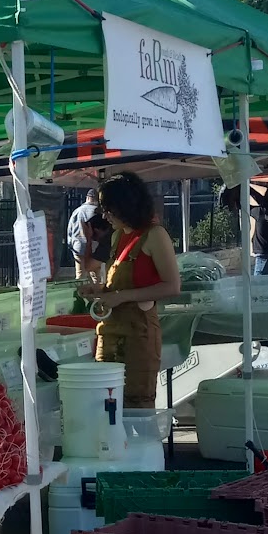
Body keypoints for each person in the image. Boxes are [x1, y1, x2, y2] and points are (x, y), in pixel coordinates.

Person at [82, 173, 181, 408]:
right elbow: (120, 284)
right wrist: (99, 290)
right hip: (109, 332)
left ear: (126, 206)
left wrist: (120, 297)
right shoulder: (117, 236)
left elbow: (173, 286)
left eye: (109, 210)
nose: (105, 216)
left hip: (139, 334)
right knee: (105, 404)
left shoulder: (155, 235)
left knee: (136, 406)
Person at [66, 189, 102, 279]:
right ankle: (96, 292)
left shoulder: (77, 211)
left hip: (78, 246)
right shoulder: (98, 212)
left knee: (80, 274)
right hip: (94, 247)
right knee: (95, 275)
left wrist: (71, 245)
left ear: (87, 198)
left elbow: (70, 230)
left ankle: (81, 292)